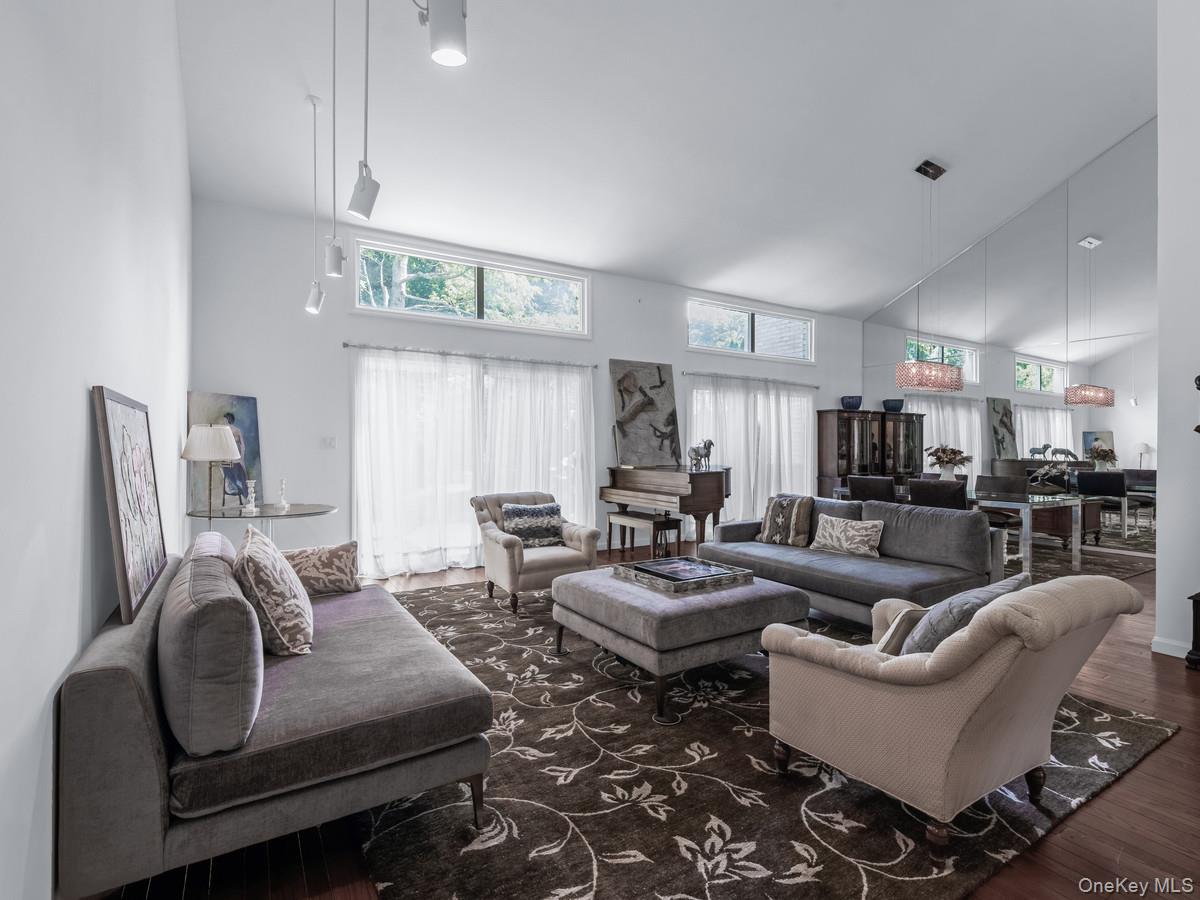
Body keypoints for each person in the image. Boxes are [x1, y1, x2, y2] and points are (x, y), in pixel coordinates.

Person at [221, 411, 249, 503]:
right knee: (230, 472)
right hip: (227, 458)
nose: (223, 421)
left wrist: (242, 457)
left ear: (228, 419)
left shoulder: (236, 430)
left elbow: (243, 445)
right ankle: (235, 486)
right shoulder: (223, 430)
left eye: (225, 419)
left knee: (241, 472)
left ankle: (243, 491)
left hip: (236, 457)